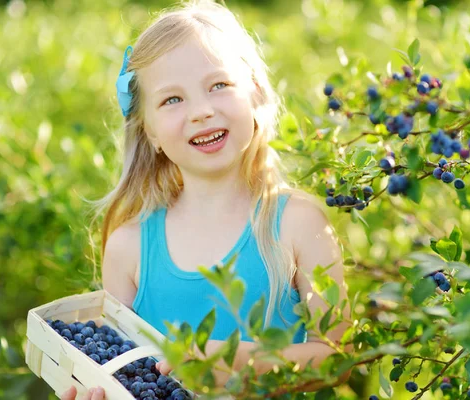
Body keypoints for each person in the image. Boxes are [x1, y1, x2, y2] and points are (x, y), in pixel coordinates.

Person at [61, 0, 351, 398]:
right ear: (151, 134)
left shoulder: (298, 223)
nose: (200, 111)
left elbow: (339, 359)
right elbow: (123, 375)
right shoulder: (129, 247)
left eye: (219, 85)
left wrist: (237, 361)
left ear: (255, 92)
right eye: (172, 100)